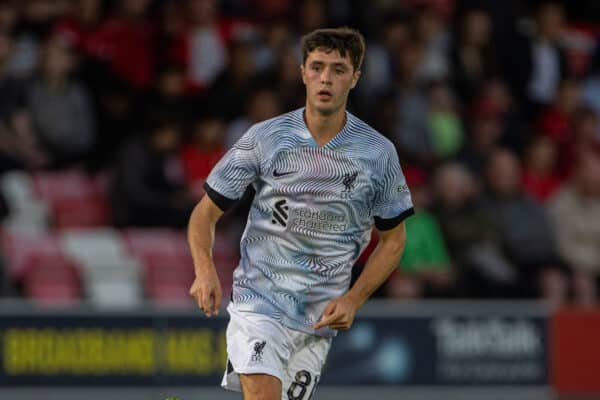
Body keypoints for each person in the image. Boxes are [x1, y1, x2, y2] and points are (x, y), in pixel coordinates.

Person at [187, 27, 413, 400]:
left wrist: (353, 299)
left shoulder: (378, 153)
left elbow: (393, 241)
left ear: (355, 78)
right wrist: (204, 269)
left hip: (317, 319)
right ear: (303, 72)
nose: (326, 77)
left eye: (338, 69)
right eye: (318, 67)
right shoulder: (266, 138)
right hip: (258, 303)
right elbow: (204, 214)